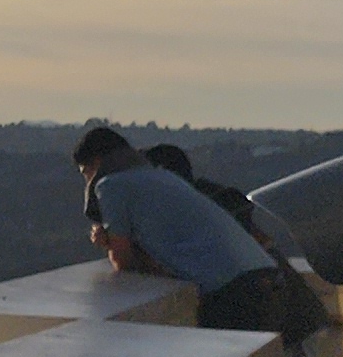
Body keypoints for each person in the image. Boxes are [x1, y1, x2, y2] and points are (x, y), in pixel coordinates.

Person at [73, 124, 281, 334]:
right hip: (261, 276)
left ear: (97, 163)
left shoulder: (110, 185)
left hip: (228, 290)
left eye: (85, 173)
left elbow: (123, 261)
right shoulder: (161, 176)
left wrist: (111, 244)